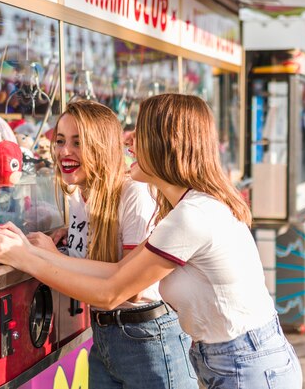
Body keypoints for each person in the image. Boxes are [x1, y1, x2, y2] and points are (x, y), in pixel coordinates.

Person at [0, 94, 302, 389]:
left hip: (245, 363)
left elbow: (111, 292)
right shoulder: (187, 209)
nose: (126, 140)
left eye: (139, 133)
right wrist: (34, 253)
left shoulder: (191, 216)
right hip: (234, 358)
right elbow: (119, 271)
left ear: (166, 145)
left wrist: (27, 259)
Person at [24, 100, 197, 389]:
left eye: (78, 142)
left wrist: (46, 258)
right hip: (103, 336)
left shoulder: (134, 194)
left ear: (100, 146)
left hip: (148, 338)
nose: (65, 151)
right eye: (61, 141)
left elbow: (129, 286)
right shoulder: (80, 196)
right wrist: (67, 236)